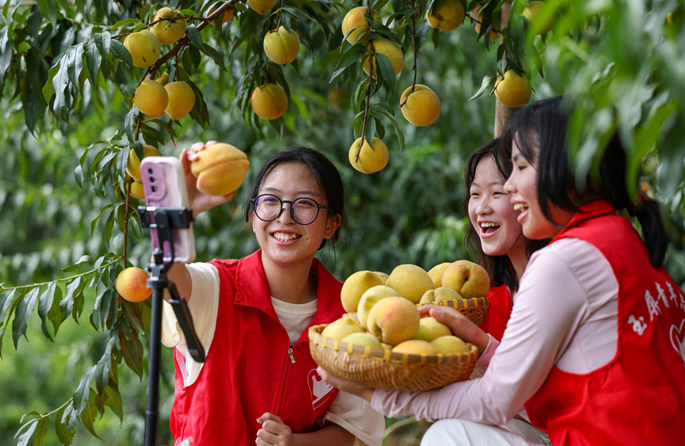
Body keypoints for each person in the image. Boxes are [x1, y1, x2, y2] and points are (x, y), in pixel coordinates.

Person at [319, 97, 685, 445]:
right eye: (476, 193)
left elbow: (496, 400)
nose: (510, 187)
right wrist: (486, 347)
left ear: (569, 167)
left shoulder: (565, 260)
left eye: (521, 167)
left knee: (448, 437)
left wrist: (378, 395)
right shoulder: (622, 239)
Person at [161, 143, 385, 446]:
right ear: (253, 215)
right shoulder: (216, 288)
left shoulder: (349, 316)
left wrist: (292, 443)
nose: (284, 216)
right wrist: (179, 211)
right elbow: (168, 278)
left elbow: (348, 431)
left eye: (304, 203)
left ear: (331, 224)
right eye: (270, 200)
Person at [465, 139, 548, 342]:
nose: (481, 209)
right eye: (475, 194)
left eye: (497, 193)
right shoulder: (481, 302)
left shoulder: (558, 279)